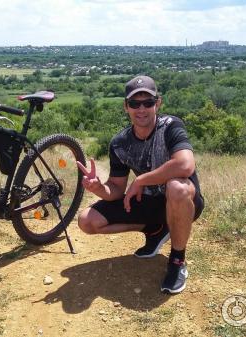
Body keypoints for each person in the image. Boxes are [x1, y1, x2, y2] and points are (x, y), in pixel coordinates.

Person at [76, 75, 204, 294]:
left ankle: (177, 261)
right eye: (135, 103)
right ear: (126, 107)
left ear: (158, 103)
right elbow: (116, 190)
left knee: (177, 187)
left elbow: (185, 165)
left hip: (183, 200)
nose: (142, 109)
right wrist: (98, 188)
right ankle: (155, 229)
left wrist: (142, 179)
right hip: (149, 204)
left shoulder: (171, 126)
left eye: (148, 102)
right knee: (87, 221)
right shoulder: (120, 143)